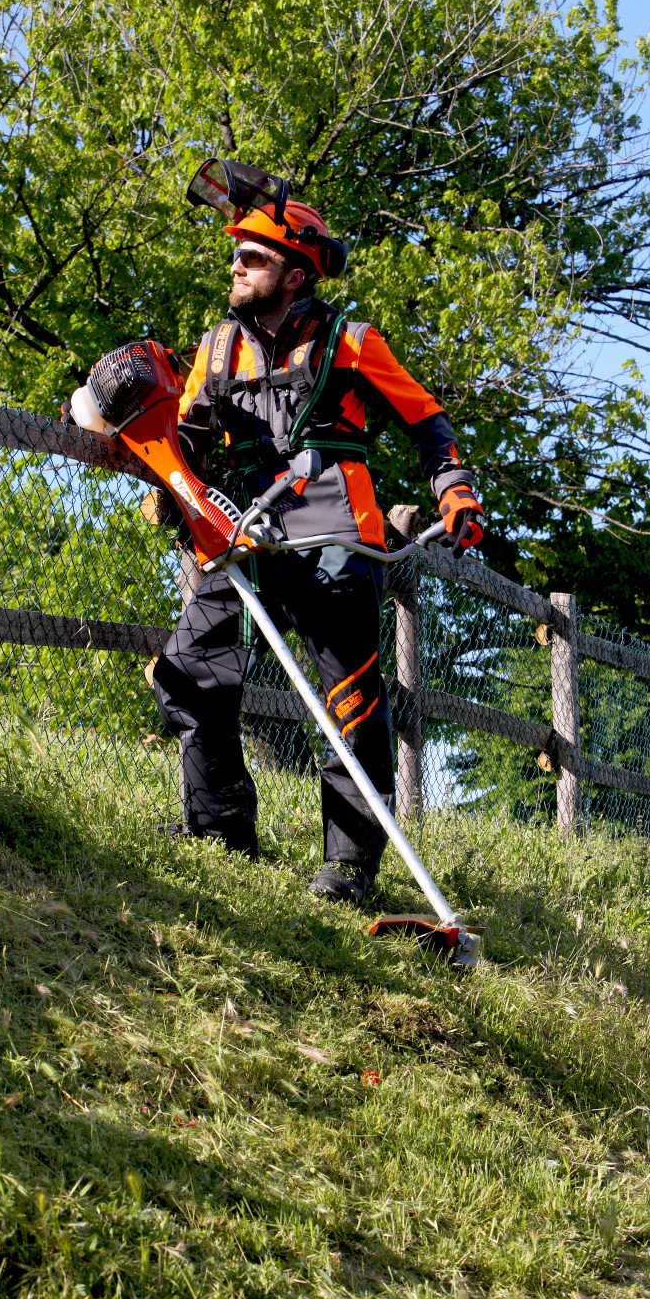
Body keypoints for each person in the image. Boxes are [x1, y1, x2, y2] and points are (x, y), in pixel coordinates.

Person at [148, 173, 483, 903]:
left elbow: (426, 420)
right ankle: (219, 830)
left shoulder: (352, 343)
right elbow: (185, 438)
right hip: (241, 534)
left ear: (296, 274)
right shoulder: (216, 349)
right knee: (189, 671)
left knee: (351, 702)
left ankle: (350, 865)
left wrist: (454, 488)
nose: (236, 267)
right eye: (236, 255)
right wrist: (165, 479)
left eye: (253, 258)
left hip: (337, 535)